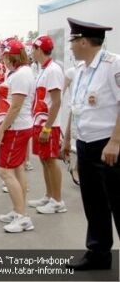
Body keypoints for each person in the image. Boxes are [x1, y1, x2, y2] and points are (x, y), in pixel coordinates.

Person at [63, 18, 120, 271]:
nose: (71, 46)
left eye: (73, 41)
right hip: (85, 144)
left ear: (84, 41)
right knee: (93, 202)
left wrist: (116, 141)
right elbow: (77, 108)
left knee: (118, 202)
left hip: (109, 146)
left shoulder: (113, 65)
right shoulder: (81, 69)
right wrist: (67, 139)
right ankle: (98, 254)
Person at [0, 39, 36, 233]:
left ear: (12, 56)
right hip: (20, 126)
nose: (2, 58)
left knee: (5, 171)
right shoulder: (22, 72)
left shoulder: (21, 75)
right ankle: (19, 211)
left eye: (4, 54)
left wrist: (2, 130)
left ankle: (22, 216)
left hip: (16, 128)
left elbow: (16, 106)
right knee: (17, 169)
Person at [27, 35, 67, 214]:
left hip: (48, 124)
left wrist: (48, 127)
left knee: (50, 160)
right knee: (44, 160)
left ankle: (57, 200)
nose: (31, 52)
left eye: (33, 49)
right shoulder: (43, 69)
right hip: (40, 121)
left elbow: (57, 102)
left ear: (39, 49)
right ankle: (49, 195)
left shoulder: (53, 70)